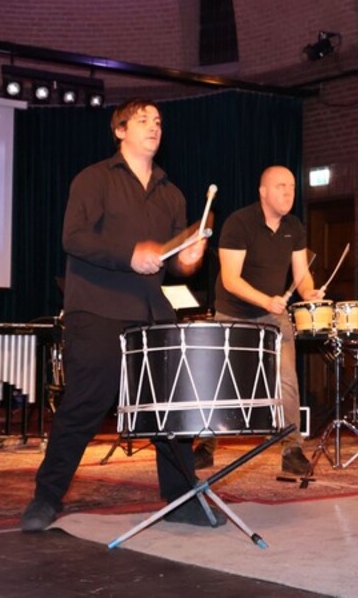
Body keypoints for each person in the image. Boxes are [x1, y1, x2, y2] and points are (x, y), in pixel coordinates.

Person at [21, 98, 219, 532]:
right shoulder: (93, 179)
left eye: (159, 121)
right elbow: (73, 238)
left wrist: (189, 258)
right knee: (85, 404)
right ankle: (46, 497)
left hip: (152, 311)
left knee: (169, 408)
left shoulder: (172, 193)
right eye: (143, 120)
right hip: (98, 306)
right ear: (120, 130)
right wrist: (130, 254)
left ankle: (181, 498)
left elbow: (175, 262)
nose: (154, 126)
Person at [192, 165, 322, 474]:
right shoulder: (239, 223)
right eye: (281, 186)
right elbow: (230, 279)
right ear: (263, 192)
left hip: (273, 316)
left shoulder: (294, 226)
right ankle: (205, 445)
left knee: (286, 379)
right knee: (218, 381)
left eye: (292, 187)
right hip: (233, 313)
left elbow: (301, 273)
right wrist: (266, 300)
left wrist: (309, 292)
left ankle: (292, 449)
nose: (289, 193)